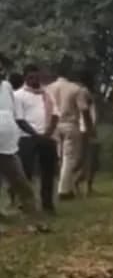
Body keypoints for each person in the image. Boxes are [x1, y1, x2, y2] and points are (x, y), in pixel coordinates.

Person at [15, 64, 60, 213]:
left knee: (48, 172)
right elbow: (20, 119)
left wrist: (48, 132)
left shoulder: (47, 94)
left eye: (36, 76)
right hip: (27, 137)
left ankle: (47, 204)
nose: (34, 80)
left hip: (47, 136)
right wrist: (36, 134)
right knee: (26, 172)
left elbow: (55, 114)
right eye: (31, 77)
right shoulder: (18, 95)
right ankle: (26, 204)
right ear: (25, 78)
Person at [46, 68, 94, 200]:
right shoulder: (75, 89)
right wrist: (89, 127)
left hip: (53, 124)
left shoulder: (48, 88)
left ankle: (67, 186)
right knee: (70, 157)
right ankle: (64, 190)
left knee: (60, 157)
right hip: (70, 124)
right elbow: (84, 110)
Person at [0, 57, 36, 214]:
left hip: (8, 144)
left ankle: (31, 212)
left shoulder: (6, 86)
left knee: (19, 179)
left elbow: (13, 114)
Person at [75, 71, 99, 197]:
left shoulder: (85, 92)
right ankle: (81, 184)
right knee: (89, 159)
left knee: (89, 159)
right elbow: (85, 112)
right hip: (86, 129)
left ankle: (85, 185)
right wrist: (90, 129)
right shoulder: (83, 92)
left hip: (86, 128)